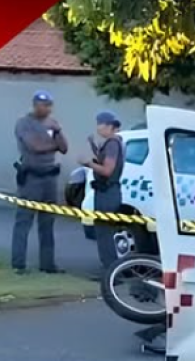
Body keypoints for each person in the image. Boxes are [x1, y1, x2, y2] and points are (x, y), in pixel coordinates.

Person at [11, 90, 68, 274]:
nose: (47, 109)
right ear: (35, 105)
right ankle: (18, 264)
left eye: (49, 105)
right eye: (43, 105)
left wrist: (57, 130)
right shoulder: (24, 123)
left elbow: (64, 148)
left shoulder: (52, 124)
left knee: (47, 223)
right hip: (31, 177)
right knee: (24, 222)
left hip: (49, 177)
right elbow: (35, 147)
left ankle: (47, 264)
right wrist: (54, 145)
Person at [79, 111, 125, 269]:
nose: (98, 128)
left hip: (107, 193)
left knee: (104, 234)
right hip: (108, 192)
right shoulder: (114, 143)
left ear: (109, 126)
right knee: (104, 234)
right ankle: (110, 269)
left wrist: (88, 163)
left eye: (100, 124)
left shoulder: (112, 144)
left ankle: (110, 271)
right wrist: (94, 148)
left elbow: (107, 170)